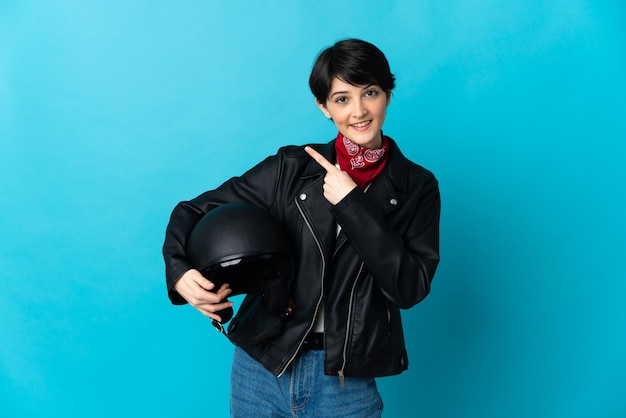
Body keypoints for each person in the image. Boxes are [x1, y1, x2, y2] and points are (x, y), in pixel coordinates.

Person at [162, 38, 440, 417]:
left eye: (370, 93)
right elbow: (193, 210)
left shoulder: (416, 187)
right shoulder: (291, 169)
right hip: (261, 366)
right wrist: (179, 273)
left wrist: (350, 204)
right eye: (342, 98)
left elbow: (409, 288)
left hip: (346, 380)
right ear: (323, 107)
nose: (358, 111)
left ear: (387, 95)